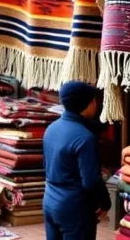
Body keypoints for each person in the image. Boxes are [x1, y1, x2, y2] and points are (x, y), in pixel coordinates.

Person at [43, 81, 111, 240]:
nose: (96, 104)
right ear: (86, 104)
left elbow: (46, 165)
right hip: (74, 207)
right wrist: (105, 203)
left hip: (49, 200)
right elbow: (91, 181)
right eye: (94, 100)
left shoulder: (51, 128)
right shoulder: (85, 137)